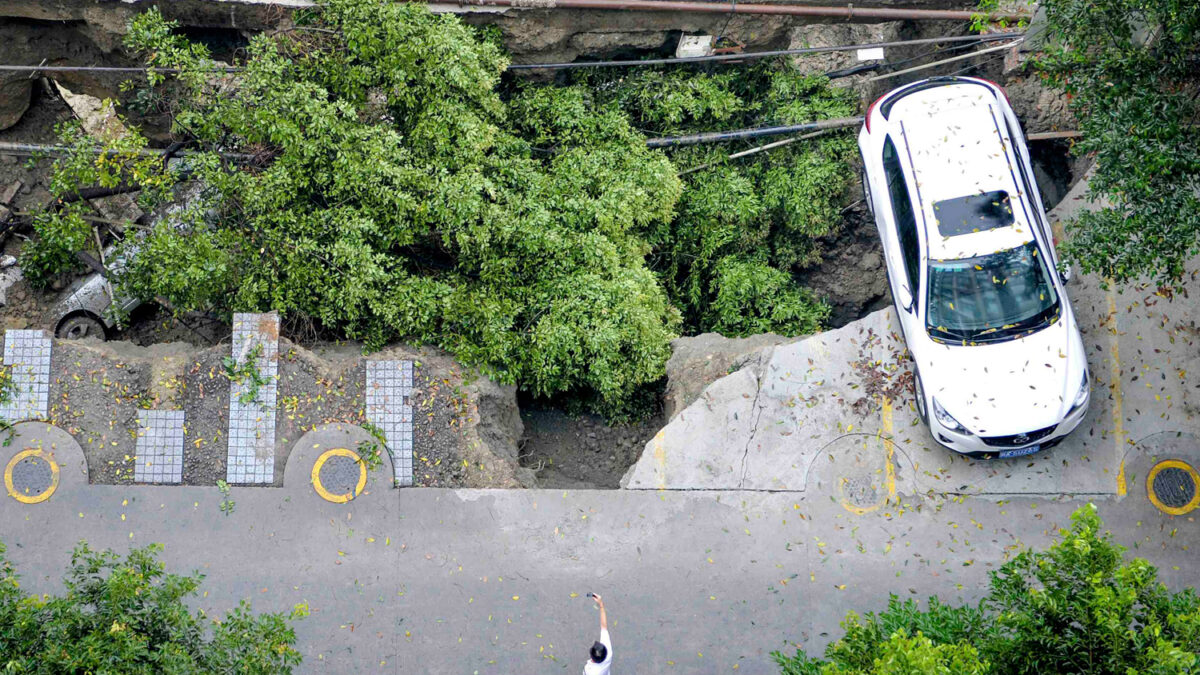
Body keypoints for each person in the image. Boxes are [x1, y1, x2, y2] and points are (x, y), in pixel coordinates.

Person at [583, 592, 612, 675]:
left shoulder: (590, 671)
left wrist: (601, 605)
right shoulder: (608, 655)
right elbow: (604, 627)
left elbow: (604, 626)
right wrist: (601, 605)